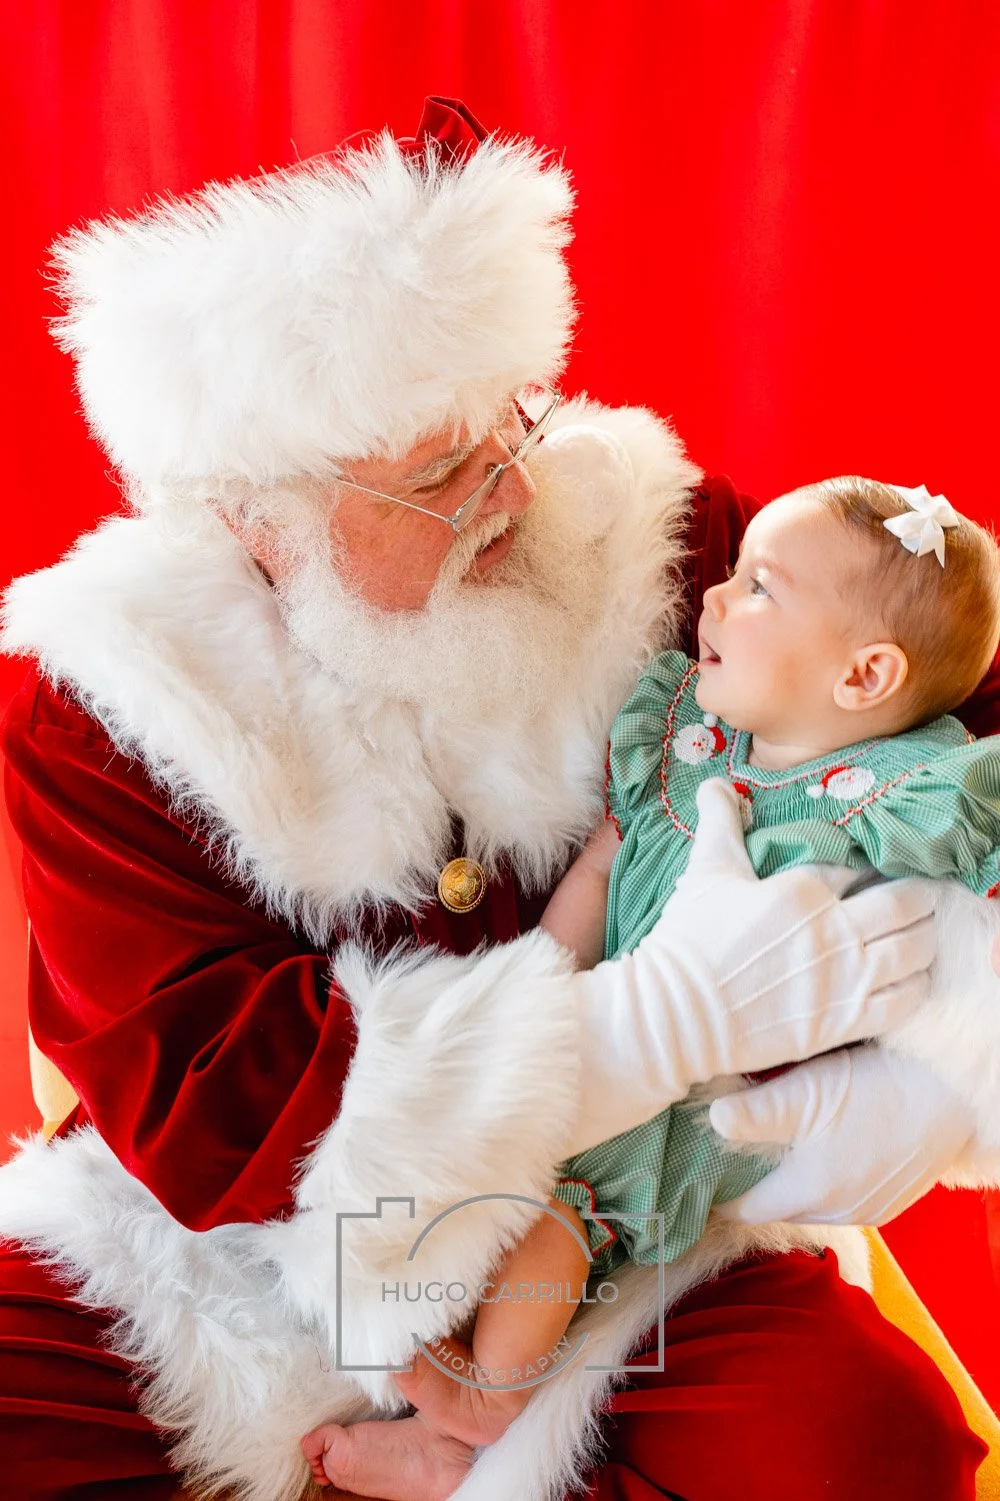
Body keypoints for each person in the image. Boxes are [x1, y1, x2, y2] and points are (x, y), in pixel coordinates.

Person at [0, 98, 995, 1501]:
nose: (516, 492)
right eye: (440, 475)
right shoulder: (109, 698)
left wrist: (922, 1075)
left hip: (631, 1223)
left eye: (510, 425)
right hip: (231, 1270)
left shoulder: (646, 534)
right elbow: (230, 1109)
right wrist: (656, 1022)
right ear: (253, 513)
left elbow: (931, 709)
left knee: (851, 1444)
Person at [303, 475, 1000, 1495]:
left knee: (550, 1218)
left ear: (863, 677)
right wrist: (537, 987)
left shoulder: (905, 788)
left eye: (755, 587)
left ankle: (475, 1419)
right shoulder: (689, 736)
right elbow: (601, 860)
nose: (710, 599)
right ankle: (450, 1395)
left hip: (703, 1106)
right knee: (464, 1203)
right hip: (597, 1033)